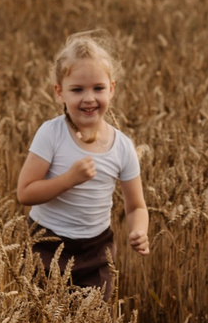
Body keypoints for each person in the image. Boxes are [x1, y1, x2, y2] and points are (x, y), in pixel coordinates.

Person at [16, 32, 150, 290]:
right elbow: (25, 192)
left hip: (96, 251)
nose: (89, 98)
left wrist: (139, 231)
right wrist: (68, 180)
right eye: (77, 89)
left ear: (111, 89)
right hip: (45, 243)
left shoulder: (122, 147)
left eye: (98, 88)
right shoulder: (51, 134)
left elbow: (136, 207)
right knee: (40, 320)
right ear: (59, 93)